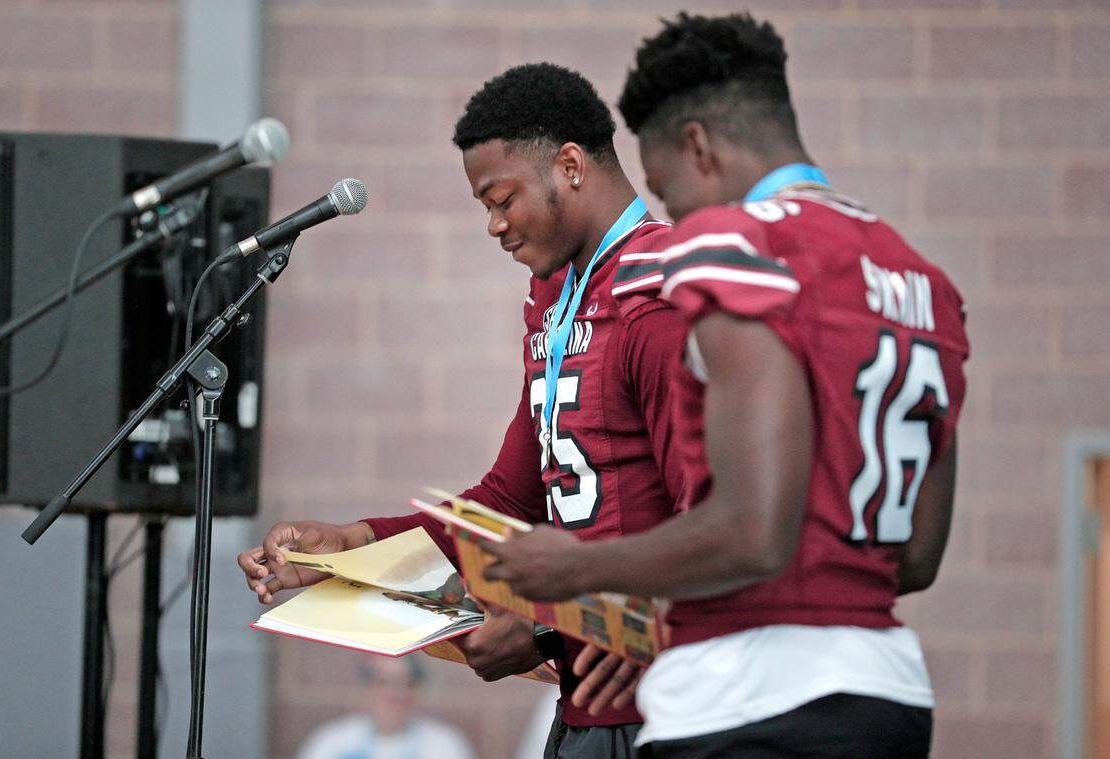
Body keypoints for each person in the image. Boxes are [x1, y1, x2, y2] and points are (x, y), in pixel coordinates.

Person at [482, 13, 970, 758]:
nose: (673, 219)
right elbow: (917, 557)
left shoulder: (737, 245)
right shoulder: (923, 279)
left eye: (669, 193)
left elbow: (751, 532)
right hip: (888, 691)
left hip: (750, 695)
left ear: (698, 147)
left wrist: (573, 567)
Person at [238, 62, 689, 758]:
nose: (493, 225)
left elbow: (718, 528)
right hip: (586, 709)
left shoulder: (660, 292)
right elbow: (509, 498)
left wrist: (544, 629)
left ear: (569, 165)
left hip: (672, 709)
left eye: (502, 198)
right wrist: (355, 547)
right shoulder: (556, 293)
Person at [295, 655, 476, 759]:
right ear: (366, 688)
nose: (394, 693)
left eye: (404, 682)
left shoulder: (444, 745)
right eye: (383, 682)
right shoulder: (332, 742)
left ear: (418, 690)